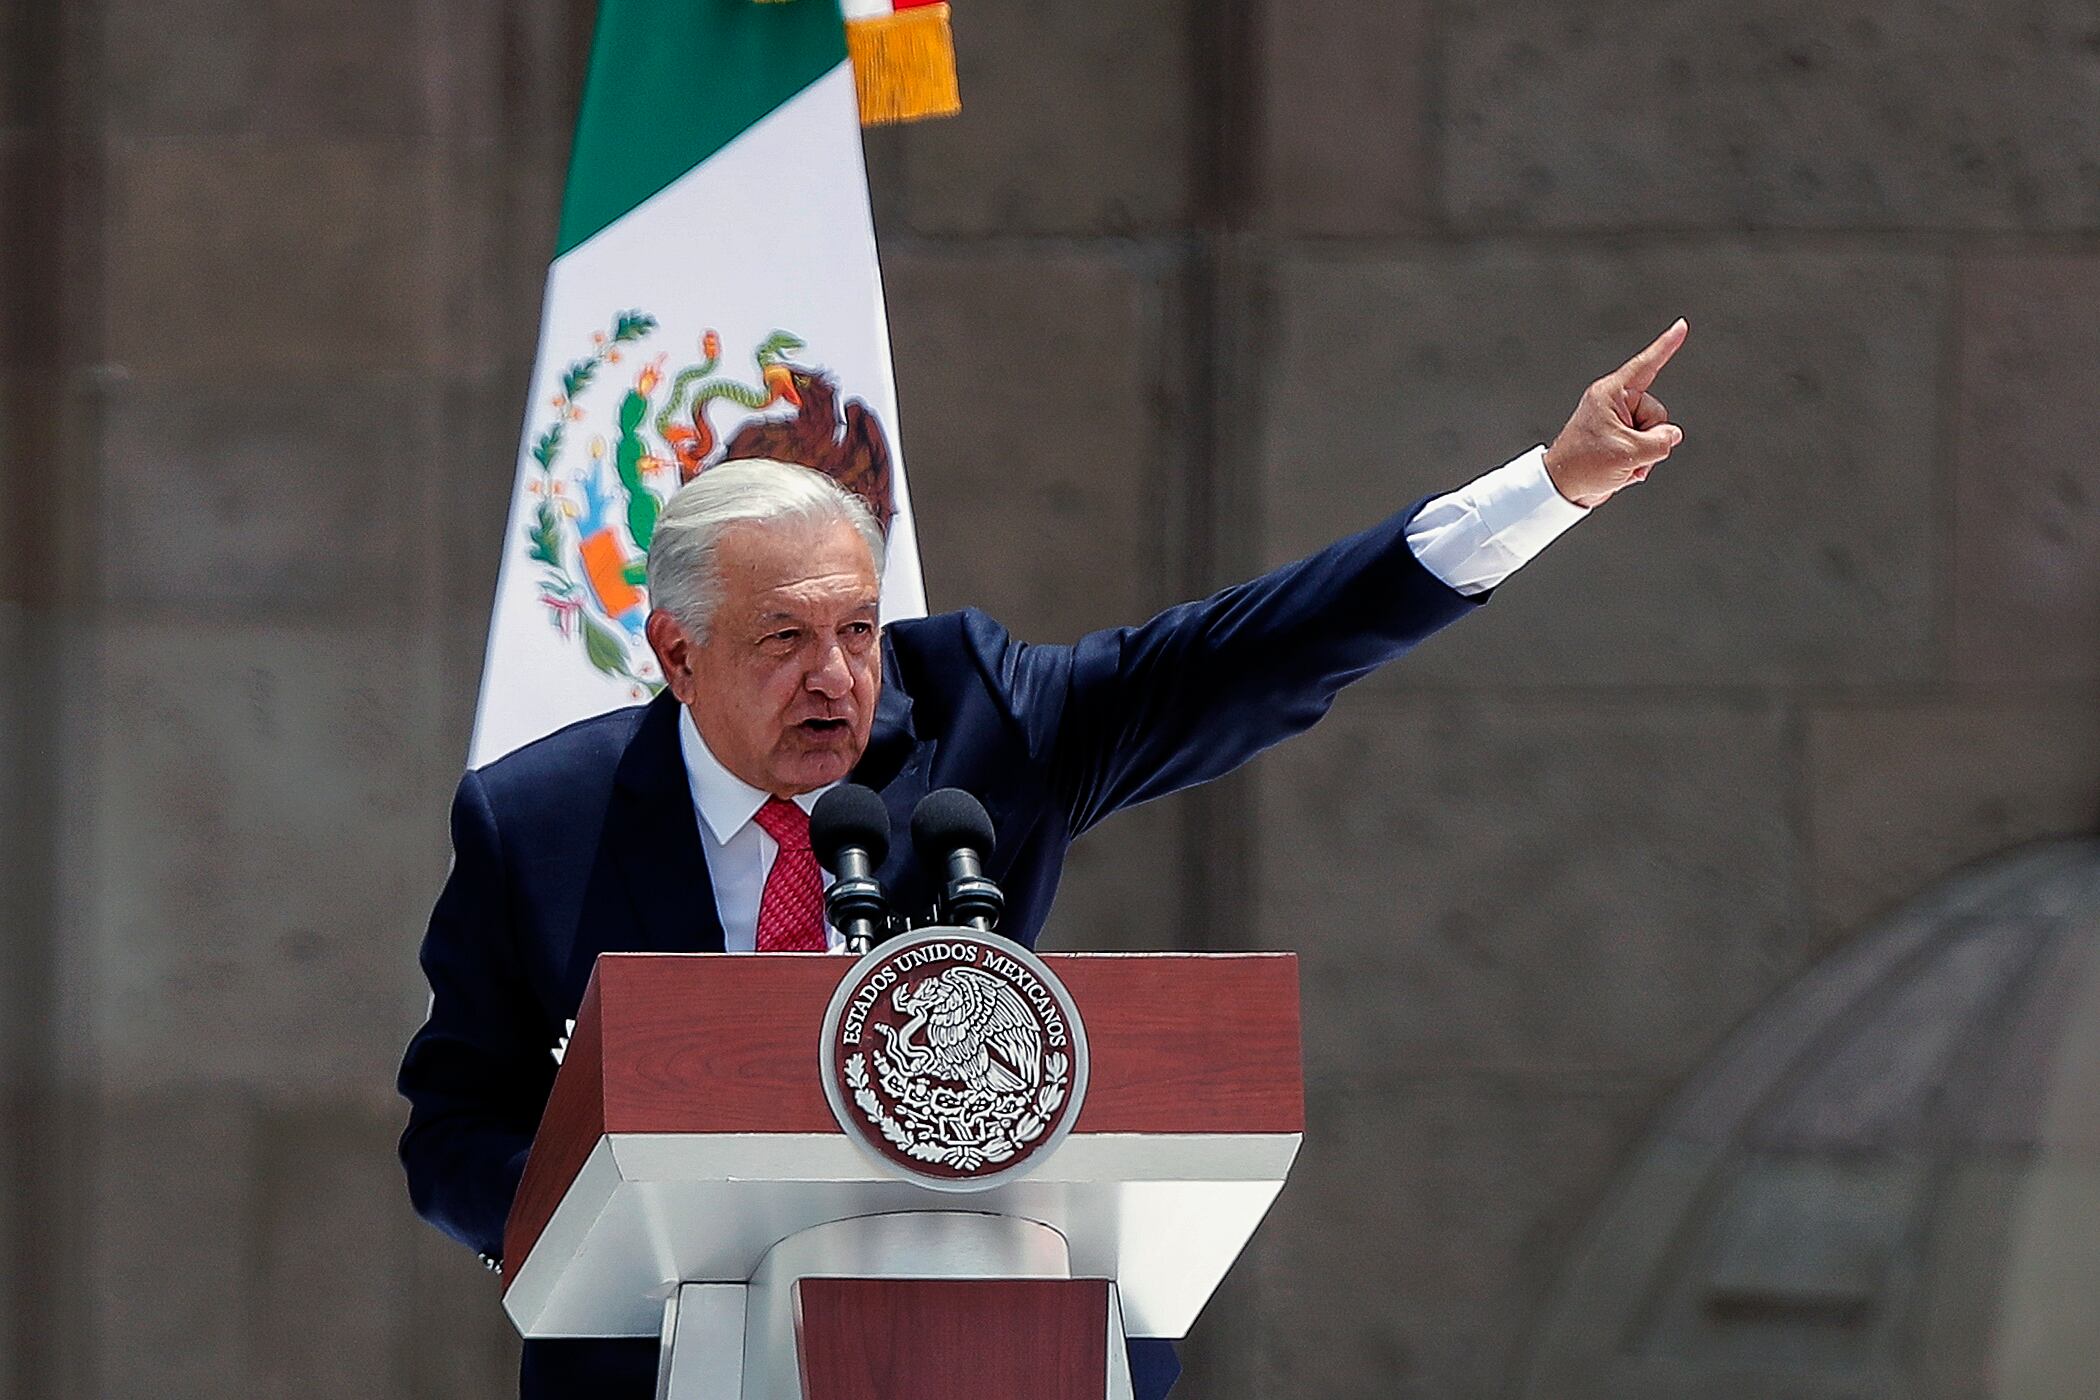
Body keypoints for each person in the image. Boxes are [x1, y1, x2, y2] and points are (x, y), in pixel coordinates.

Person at [398, 321, 1691, 1398]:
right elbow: (454, 1128)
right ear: (677, 656)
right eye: (783, 640)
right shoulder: (538, 821)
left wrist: (1548, 488)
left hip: (1007, 1344)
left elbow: (1248, 656)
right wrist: (593, 1215)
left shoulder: (979, 718)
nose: (838, 679)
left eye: (859, 629)